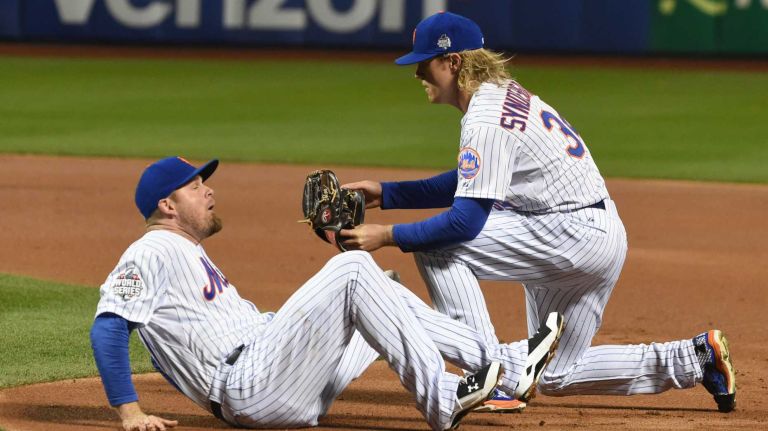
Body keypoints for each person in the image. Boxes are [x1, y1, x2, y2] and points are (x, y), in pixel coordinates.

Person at [340, 11, 736, 413]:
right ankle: (695, 359)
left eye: (424, 62)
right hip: (597, 235)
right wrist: (387, 193)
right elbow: (474, 179)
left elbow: (465, 222)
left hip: (567, 234)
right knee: (556, 374)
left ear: (453, 62)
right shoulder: (504, 93)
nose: (417, 73)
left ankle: (488, 375)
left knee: (439, 246)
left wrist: (387, 235)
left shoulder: (485, 119)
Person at [89, 156, 566, 431]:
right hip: (249, 389)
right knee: (356, 269)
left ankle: (506, 368)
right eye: (195, 187)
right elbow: (108, 327)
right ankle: (442, 399)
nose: (209, 191)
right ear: (167, 205)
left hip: (277, 377)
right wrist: (129, 413)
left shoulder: (183, 251)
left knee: (382, 287)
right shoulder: (152, 249)